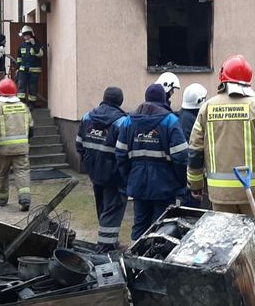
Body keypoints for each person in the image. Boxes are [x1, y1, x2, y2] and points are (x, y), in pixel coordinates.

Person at [187, 55, 255, 254]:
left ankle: (234, 284)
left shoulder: (207, 108)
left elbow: (195, 152)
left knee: (226, 247)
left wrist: (195, 185)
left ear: (223, 79)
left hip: (220, 195)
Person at [115, 84, 188, 241]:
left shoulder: (128, 121)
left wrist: (130, 178)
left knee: (139, 225)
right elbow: (181, 157)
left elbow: (120, 154)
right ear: (163, 99)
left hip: (138, 183)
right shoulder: (170, 121)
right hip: (165, 186)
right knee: (162, 226)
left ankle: (134, 261)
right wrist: (180, 182)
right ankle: (156, 261)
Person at [76, 87, 127, 252]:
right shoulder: (121, 122)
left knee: (103, 206)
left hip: (95, 172)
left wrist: (89, 165)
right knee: (113, 208)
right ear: (120, 101)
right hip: (114, 175)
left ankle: (108, 241)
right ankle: (106, 246)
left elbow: (79, 145)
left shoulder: (86, 117)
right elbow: (124, 152)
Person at [0, 78, 33, 212]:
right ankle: (24, 200)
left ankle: (1, 199)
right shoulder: (23, 107)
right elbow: (31, 129)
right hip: (21, 149)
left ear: (0, 92)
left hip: (3, 150)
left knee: (2, 173)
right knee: (22, 172)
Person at [178, 83, 208, 208]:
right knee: (192, 211)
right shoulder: (192, 120)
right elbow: (194, 153)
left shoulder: (184, 116)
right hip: (192, 176)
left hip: (188, 175)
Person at [16, 25, 44, 108]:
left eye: (28, 35)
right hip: (23, 71)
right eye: (25, 35)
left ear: (31, 35)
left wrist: (34, 44)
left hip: (34, 71)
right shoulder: (21, 46)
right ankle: (22, 103)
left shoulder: (37, 44)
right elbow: (19, 59)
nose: (26, 37)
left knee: (32, 88)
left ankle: (32, 104)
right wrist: (18, 69)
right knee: (21, 87)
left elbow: (40, 54)